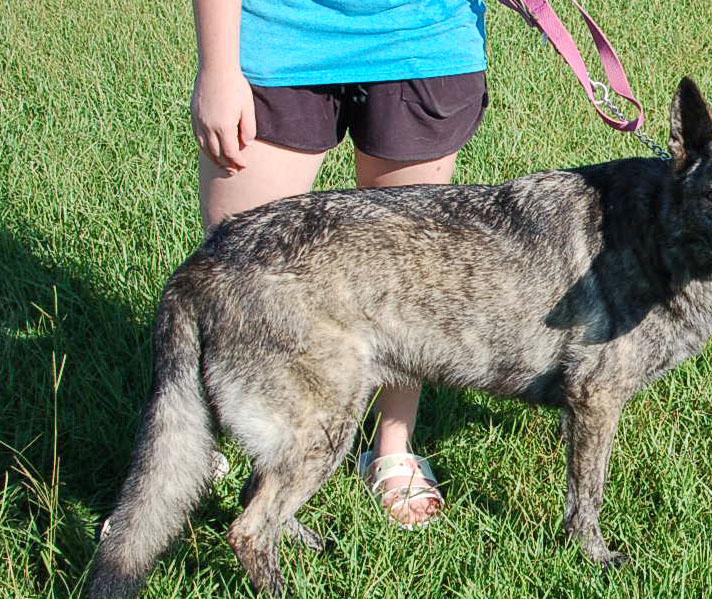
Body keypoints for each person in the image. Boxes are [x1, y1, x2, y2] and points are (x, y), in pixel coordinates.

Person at [191, 0, 489, 527]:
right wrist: (218, 67)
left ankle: (392, 450)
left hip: (419, 39)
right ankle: (196, 450)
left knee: (410, 287)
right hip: (278, 36)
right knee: (237, 280)